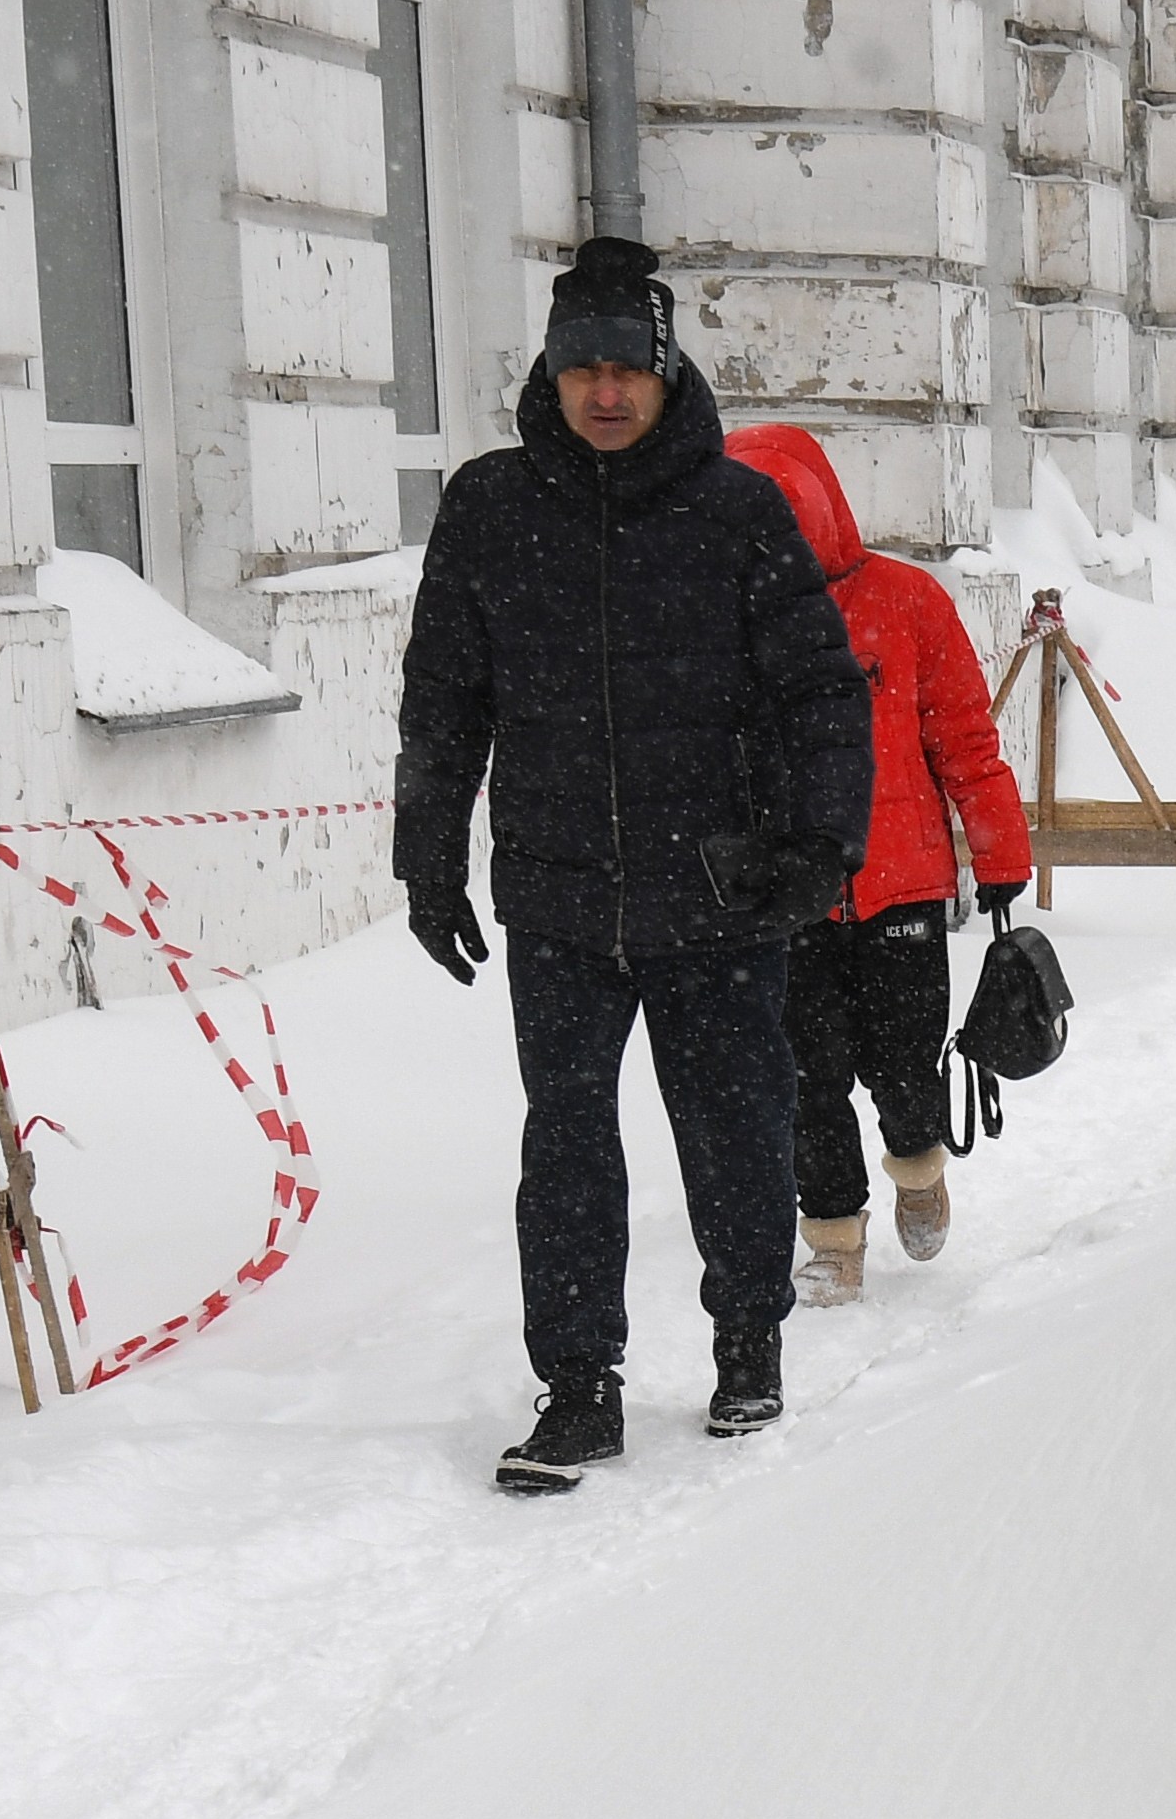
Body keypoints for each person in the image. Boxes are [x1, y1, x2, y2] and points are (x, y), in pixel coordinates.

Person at [395, 236, 875, 1495]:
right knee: (566, 1145)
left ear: (666, 375)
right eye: (579, 367)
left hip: (718, 889)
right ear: (550, 374)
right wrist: (427, 859)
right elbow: (444, 701)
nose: (604, 392)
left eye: (627, 369)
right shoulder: (490, 509)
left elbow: (824, 693)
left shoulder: (736, 512)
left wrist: (821, 845)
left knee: (732, 1124)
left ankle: (745, 1341)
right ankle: (578, 1388)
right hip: (557, 895)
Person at [723, 424, 1033, 1306]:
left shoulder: (907, 599)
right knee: (806, 1082)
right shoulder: (723, 618)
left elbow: (967, 740)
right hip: (788, 896)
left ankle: (918, 1164)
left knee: (902, 1066)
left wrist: (999, 850)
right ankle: (832, 1235)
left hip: (903, 886)